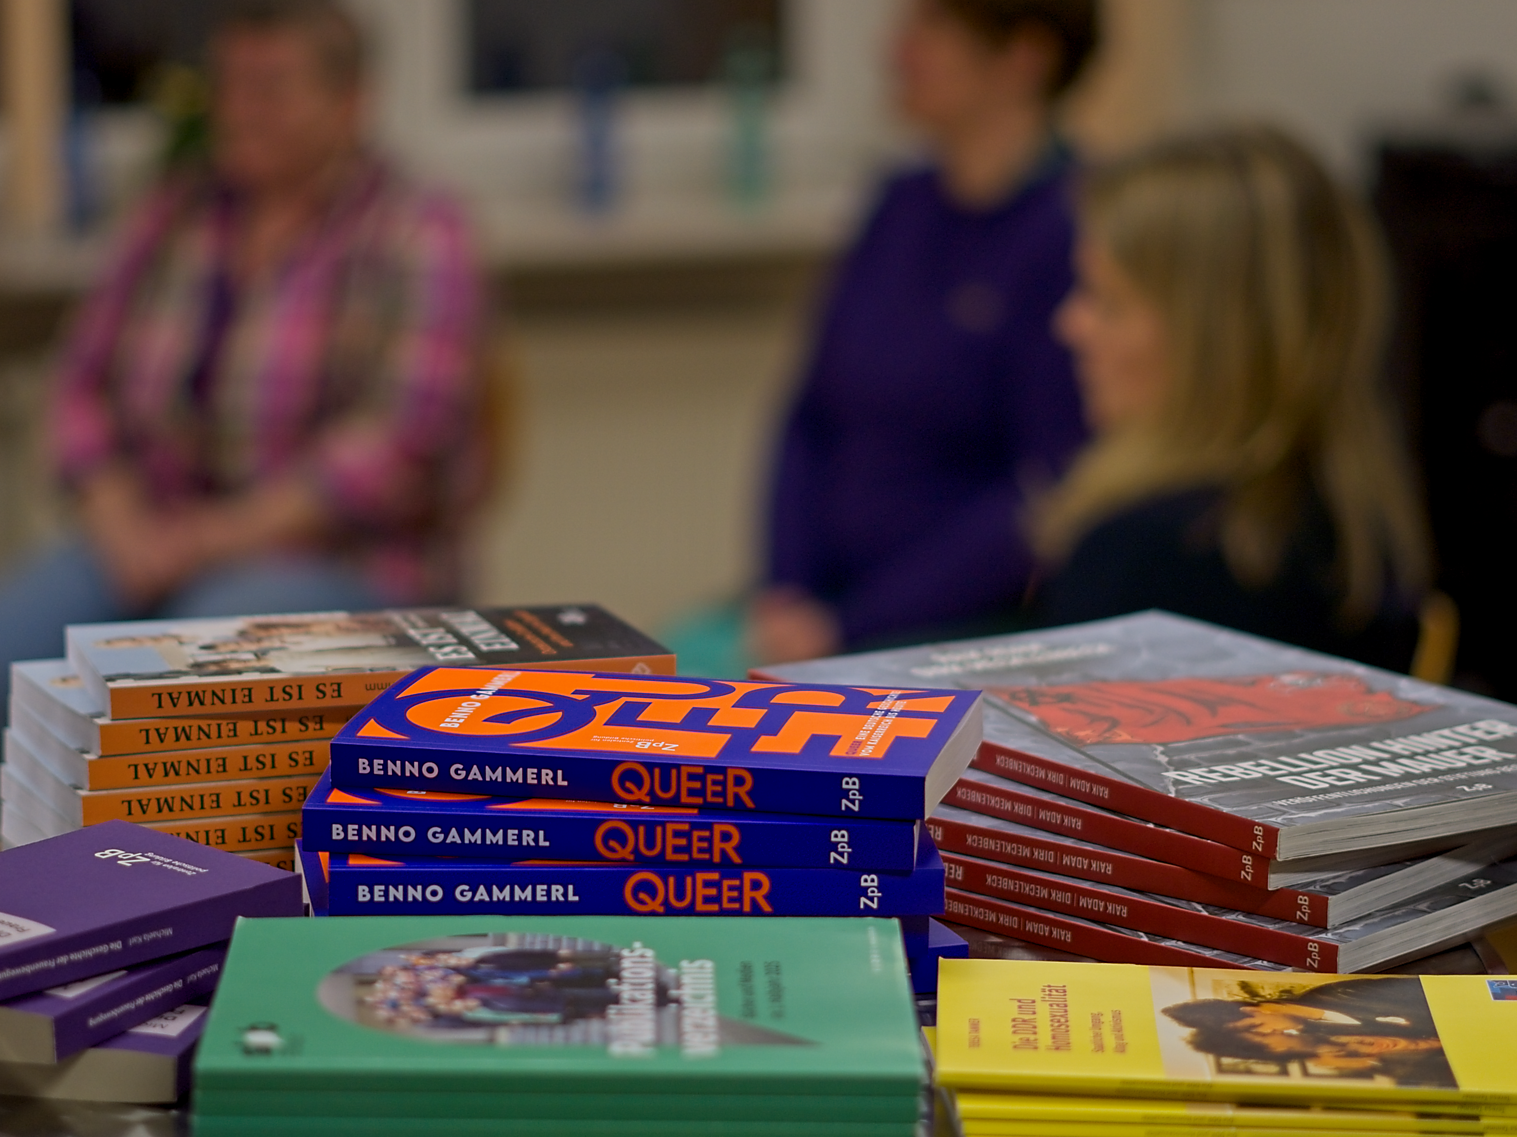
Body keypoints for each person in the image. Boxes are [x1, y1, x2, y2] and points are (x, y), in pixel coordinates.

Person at [0, 0, 486, 706]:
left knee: (178, 666)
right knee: (15, 644)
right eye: (229, 85)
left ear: (350, 102)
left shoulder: (418, 231)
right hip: (149, 534)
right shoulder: (174, 213)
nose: (241, 111)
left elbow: (399, 444)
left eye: (271, 89)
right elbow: (78, 382)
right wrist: (117, 515)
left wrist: (211, 539)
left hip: (341, 559)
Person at [751, 0, 1098, 666]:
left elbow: (1044, 487)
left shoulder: (1071, 230)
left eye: (932, 29)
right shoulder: (898, 205)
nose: (896, 53)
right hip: (820, 609)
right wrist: (786, 590)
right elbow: (809, 417)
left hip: (962, 625)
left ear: (1024, 56)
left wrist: (849, 625)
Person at [1033, 126, 1430, 671]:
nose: (1070, 324)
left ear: (1217, 340)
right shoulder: (1354, 526)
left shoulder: (1148, 559)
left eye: (1108, 302)